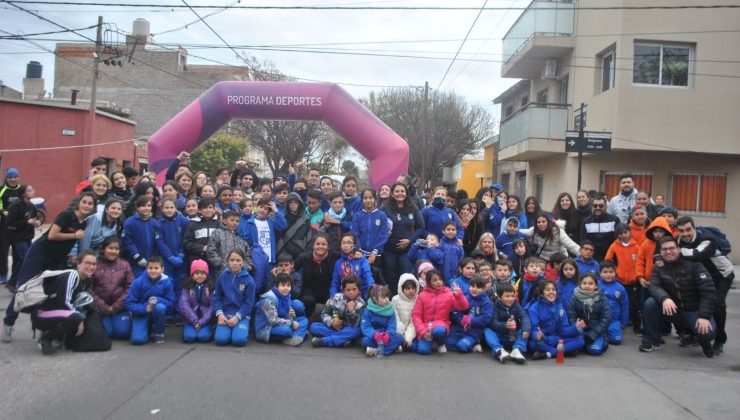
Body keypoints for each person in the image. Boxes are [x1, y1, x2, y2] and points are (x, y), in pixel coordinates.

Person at [2, 192, 95, 342]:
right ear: (79, 203)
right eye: (84, 202)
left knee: (46, 291)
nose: (86, 205)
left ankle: (41, 326)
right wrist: (74, 236)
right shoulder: (67, 215)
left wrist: (72, 256)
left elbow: (72, 243)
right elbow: (52, 235)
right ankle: (8, 322)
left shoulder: (83, 223)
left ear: (93, 208)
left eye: (90, 204)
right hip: (40, 253)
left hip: (56, 259)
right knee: (24, 287)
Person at [639, 236, 716, 358]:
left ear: (679, 249)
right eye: (664, 249)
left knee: (707, 334)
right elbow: (653, 286)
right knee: (650, 303)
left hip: (694, 310)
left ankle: (704, 342)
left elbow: (708, 291)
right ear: (660, 251)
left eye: (671, 248)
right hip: (674, 310)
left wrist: (704, 316)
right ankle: (652, 339)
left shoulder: (695, 265)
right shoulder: (658, 268)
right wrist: (665, 298)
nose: (668, 252)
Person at [30, 250, 109, 355]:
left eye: (94, 264)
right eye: (87, 263)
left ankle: (58, 335)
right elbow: (65, 303)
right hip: (42, 314)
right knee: (75, 317)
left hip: (58, 313)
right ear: (78, 263)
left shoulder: (87, 280)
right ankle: (46, 338)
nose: (91, 266)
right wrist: (79, 320)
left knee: (87, 310)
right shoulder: (71, 276)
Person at [675, 216, 733, 355]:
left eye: (688, 229)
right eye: (681, 231)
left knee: (717, 305)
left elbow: (697, 254)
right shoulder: (679, 240)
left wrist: (678, 251)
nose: (685, 234)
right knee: (691, 302)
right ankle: (694, 335)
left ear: (694, 228)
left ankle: (719, 340)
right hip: (700, 278)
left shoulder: (707, 239)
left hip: (721, 276)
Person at [411, 269, 469, 355]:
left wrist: (459, 295)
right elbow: (416, 316)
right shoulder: (422, 295)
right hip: (425, 326)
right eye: (434, 280)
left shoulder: (448, 293)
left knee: (439, 331)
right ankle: (430, 342)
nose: (438, 282)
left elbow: (464, 307)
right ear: (428, 282)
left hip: (441, 324)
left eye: (440, 279)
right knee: (423, 350)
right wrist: (423, 332)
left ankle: (440, 343)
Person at [382, 182, 425, 290]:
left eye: (402, 191)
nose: (399, 193)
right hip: (389, 249)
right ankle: (392, 301)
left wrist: (410, 240)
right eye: (397, 191)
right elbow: (379, 226)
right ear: (392, 194)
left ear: (406, 193)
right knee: (390, 277)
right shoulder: (385, 208)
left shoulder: (413, 208)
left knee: (405, 277)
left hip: (407, 250)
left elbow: (421, 227)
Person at [90, 237, 134, 339]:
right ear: (103, 249)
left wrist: (116, 306)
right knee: (107, 333)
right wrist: (104, 307)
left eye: (116, 249)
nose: (113, 251)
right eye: (110, 248)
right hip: (100, 308)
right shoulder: (95, 264)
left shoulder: (125, 264)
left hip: (119, 308)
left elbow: (130, 287)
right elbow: (89, 288)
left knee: (123, 333)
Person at [125, 256, 176, 345]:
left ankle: (159, 332)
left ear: (162, 269)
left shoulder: (167, 281)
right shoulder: (138, 282)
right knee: (138, 340)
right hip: (141, 313)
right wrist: (145, 308)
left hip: (157, 311)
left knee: (160, 308)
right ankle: (146, 328)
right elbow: (129, 303)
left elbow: (171, 302)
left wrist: (158, 300)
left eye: (156, 268)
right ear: (146, 268)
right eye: (150, 268)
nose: (153, 271)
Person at [528, 281, 585, 360]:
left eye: (553, 289)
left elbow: (563, 331)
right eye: (548, 290)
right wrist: (537, 336)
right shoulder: (534, 308)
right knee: (533, 344)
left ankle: (548, 354)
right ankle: (564, 350)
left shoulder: (560, 307)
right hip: (544, 341)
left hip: (557, 339)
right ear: (542, 293)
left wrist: (576, 328)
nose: (551, 292)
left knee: (580, 341)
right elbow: (534, 328)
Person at [213, 250, 255, 347]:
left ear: (243, 261)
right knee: (220, 340)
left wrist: (237, 317)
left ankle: (240, 330)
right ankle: (222, 330)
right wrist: (220, 314)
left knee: (239, 340)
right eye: (232, 260)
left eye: (238, 260)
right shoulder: (223, 276)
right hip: (225, 314)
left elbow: (249, 303)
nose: (235, 263)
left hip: (241, 316)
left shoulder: (249, 280)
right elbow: (217, 297)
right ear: (228, 261)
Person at [310, 274, 366, 348]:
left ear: (358, 290)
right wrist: (331, 322)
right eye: (348, 290)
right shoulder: (336, 298)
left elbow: (356, 324)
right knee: (314, 327)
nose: (351, 292)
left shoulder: (361, 304)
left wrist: (351, 311)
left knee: (357, 331)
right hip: (334, 328)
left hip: (348, 328)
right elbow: (324, 313)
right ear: (343, 290)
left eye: (354, 289)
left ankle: (324, 341)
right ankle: (343, 340)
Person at [605, 224, 641, 333]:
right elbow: (608, 260)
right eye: (620, 233)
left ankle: (637, 327)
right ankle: (620, 323)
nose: (623, 235)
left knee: (634, 304)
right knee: (620, 303)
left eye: (625, 232)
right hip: (619, 280)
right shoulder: (614, 246)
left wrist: (637, 275)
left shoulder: (636, 246)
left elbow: (640, 261)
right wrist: (615, 271)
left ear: (630, 232)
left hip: (633, 281)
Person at [255, 273, 308, 346]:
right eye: (283, 285)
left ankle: (296, 337)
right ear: (276, 286)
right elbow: (273, 321)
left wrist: (291, 316)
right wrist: (291, 323)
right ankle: (300, 334)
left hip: (281, 322)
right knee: (287, 331)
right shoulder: (269, 299)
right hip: (266, 328)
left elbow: (285, 317)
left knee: (304, 320)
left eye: (288, 285)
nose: (286, 288)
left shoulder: (286, 296)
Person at [293, 233, 338, 318]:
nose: (320, 246)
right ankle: (307, 322)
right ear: (313, 246)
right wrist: (278, 270)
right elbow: (291, 268)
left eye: (324, 244)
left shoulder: (334, 256)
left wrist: (356, 253)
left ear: (328, 247)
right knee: (307, 300)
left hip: (327, 289)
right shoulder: (304, 257)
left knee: (334, 302)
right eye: (317, 244)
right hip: (309, 289)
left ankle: (331, 323)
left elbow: (347, 256)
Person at [485, 283, 530, 364]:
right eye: (507, 296)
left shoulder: (516, 305)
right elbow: (493, 322)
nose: (510, 299)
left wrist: (526, 329)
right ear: (499, 297)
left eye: (512, 296)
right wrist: (504, 325)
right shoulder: (495, 306)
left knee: (524, 330)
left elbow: (524, 316)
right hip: (500, 336)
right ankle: (499, 350)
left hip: (513, 336)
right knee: (487, 330)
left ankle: (517, 350)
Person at [4, 184, 39, 289]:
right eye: (29, 190)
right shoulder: (16, 205)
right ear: (23, 193)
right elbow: (10, 223)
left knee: (20, 259)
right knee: (25, 258)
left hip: (28, 237)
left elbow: (33, 219)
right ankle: (15, 282)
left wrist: (36, 223)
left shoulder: (32, 206)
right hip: (17, 237)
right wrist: (26, 222)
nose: (32, 192)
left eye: (33, 190)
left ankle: (14, 282)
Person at [155, 198, 190, 303]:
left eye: (171, 207)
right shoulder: (158, 223)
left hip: (181, 260)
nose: (169, 210)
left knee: (181, 285)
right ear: (162, 209)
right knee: (168, 284)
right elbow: (159, 242)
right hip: (166, 261)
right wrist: (169, 256)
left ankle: (180, 311)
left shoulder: (184, 221)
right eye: (166, 208)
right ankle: (170, 313)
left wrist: (181, 254)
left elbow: (186, 239)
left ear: (176, 208)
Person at [446, 276, 493, 353]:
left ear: (484, 289)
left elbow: (486, 319)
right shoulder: (465, 298)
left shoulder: (486, 302)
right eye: (472, 286)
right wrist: (461, 320)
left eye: (478, 287)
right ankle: (471, 345)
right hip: (460, 328)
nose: (474, 289)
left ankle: (475, 343)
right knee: (448, 344)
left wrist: (470, 320)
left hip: (475, 332)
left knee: (461, 346)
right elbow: (456, 310)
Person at [568, 272, 611, 355]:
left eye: (590, 283)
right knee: (575, 348)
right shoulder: (574, 297)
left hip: (596, 330)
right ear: (580, 284)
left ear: (596, 286)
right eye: (584, 283)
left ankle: (603, 341)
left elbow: (606, 318)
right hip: (580, 331)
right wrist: (576, 329)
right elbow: (571, 316)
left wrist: (593, 334)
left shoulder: (602, 298)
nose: (587, 286)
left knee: (594, 350)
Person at [239, 198, 288, 266]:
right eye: (261, 207)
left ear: (269, 212)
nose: (262, 210)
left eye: (266, 209)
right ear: (256, 208)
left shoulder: (271, 222)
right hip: (256, 259)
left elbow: (283, 226)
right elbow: (245, 240)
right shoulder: (250, 223)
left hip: (270, 259)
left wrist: (276, 211)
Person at [360, 284, 404, 356]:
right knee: (365, 341)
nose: (387, 299)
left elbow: (392, 325)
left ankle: (376, 350)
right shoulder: (368, 310)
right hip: (374, 336)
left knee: (400, 337)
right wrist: (374, 334)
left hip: (386, 335)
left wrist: (388, 334)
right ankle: (392, 348)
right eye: (383, 297)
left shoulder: (390, 309)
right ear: (375, 298)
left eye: (387, 297)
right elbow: (365, 326)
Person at [177, 259, 213, 343]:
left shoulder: (211, 287)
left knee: (204, 337)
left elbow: (213, 306)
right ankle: (188, 330)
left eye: (203, 273)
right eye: (197, 273)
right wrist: (195, 320)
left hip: (205, 319)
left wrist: (201, 322)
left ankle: (210, 329)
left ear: (207, 274)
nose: (200, 276)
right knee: (189, 338)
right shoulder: (187, 287)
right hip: (190, 319)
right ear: (192, 275)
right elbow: (183, 304)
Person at [350, 188, 388, 267]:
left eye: (370, 197)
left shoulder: (382, 215)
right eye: (365, 198)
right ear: (362, 199)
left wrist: (375, 251)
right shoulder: (357, 216)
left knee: (374, 276)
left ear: (375, 199)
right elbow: (355, 234)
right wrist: (358, 249)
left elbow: (383, 235)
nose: (368, 200)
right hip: (360, 254)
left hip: (376, 255)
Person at [207, 210, 253, 275]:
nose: (235, 223)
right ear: (225, 221)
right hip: (222, 273)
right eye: (232, 220)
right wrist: (222, 265)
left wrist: (249, 266)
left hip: (240, 273)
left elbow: (247, 254)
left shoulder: (240, 236)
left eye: (237, 221)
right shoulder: (217, 233)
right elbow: (211, 252)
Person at [329, 233, 375, 298]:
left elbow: (368, 276)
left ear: (354, 245)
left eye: (349, 242)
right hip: (344, 295)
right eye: (343, 243)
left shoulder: (361, 259)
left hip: (362, 294)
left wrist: (371, 289)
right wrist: (333, 296)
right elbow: (335, 283)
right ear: (340, 246)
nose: (346, 245)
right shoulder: (338, 263)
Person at [122, 196, 158, 277]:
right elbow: (127, 241)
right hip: (135, 262)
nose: (146, 208)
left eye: (149, 206)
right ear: (137, 208)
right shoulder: (130, 222)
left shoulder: (154, 222)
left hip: (150, 261)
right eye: (143, 206)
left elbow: (157, 240)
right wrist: (137, 256)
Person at [182, 198, 220, 272]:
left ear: (214, 209)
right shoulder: (193, 224)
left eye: (210, 207)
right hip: (198, 259)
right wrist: (202, 248)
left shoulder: (218, 224)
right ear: (199, 210)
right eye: (205, 208)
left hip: (215, 260)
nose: (208, 210)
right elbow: (186, 243)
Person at [579, 194, 620, 261]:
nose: (598, 208)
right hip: (592, 257)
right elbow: (583, 240)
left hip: (610, 256)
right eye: (595, 206)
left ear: (606, 207)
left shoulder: (614, 220)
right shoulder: (586, 221)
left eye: (601, 206)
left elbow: (618, 239)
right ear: (592, 207)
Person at [598, 261, 629, 345]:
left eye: (611, 272)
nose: (608, 274)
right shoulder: (596, 286)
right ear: (599, 273)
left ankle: (611, 332)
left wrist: (623, 322)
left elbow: (624, 305)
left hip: (613, 320)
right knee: (597, 335)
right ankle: (603, 335)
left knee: (616, 340)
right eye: (605, 272)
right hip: (599, 319)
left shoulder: (620, 288)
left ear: (615, 273)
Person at [276, 193, 311, 260]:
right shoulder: (283, 219)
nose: (293, 204)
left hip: (301, 253)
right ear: (287, 205)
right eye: (291, 202)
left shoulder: (306, 219)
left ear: (299, 204)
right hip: (285, 255)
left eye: (295, 202)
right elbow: (280, 238)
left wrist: (306, 254)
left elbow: (309, 238)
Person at [392, 273, 419, 351]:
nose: (411, 291)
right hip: (399, 330)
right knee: (398, 338)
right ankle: (399, 343)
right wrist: (401, 333)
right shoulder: (395, 299)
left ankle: (403, 343)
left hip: (413, 331)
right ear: (401, 288)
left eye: (413, 288)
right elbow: (395, 318)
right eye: (408, 288)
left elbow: (415, 321)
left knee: (414, 347)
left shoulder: (418, 299)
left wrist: (408, 337)